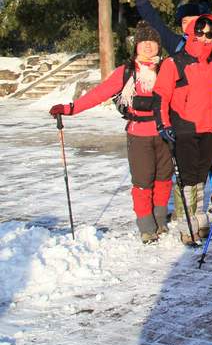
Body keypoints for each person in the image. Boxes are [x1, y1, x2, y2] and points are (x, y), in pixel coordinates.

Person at [48, 22, 171, 243]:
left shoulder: (167, 69)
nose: (148, 47)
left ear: (159, 46)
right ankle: (146, 226)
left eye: (152, 43)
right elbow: (99, 93)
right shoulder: (126, 72)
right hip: (138, 133)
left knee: (163, 178)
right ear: (136, 47)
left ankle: (160, 220)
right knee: (143, 182)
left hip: (164, 132)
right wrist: (71, 108)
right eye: (144, 43)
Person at [152, 14, 212, 244]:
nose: (205, 39)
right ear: (190, 33)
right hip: (185, 127)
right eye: (200, 33)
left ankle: (199, 219)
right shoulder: (174, 62)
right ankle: (187, 226)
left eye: (209, 34)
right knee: (186, 179)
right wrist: (163, 124)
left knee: (200, 178)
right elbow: (161, 96)